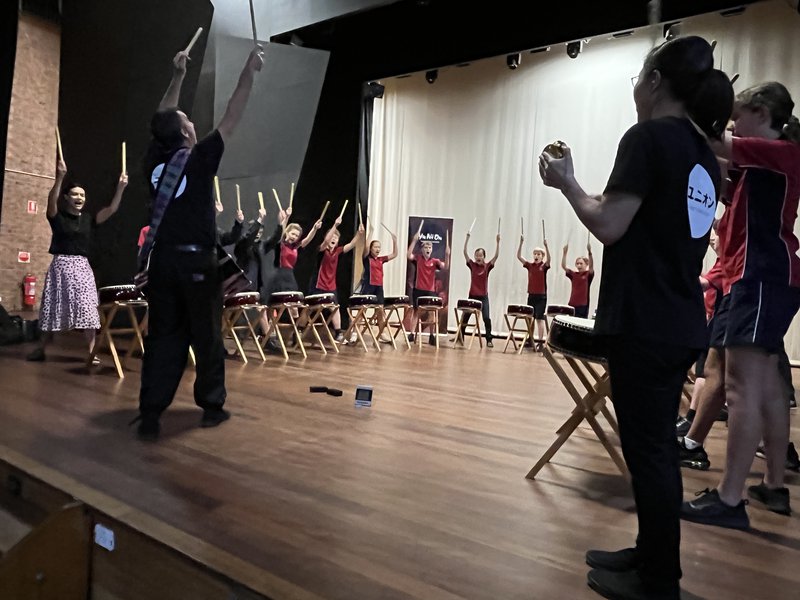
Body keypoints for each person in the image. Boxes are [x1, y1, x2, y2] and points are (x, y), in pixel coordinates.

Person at [539, 36, 733, 600]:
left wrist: (567, 182)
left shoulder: (646, 138)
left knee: (649, 455)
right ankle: (651, 555)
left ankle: (659, 580)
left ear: (653, 82)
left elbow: (609, 223)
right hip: (679, 320)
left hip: (644, 321)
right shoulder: (704, 155)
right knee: (654, 451)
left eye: (637, 80)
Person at [681, 82, 800, 526]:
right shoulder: (761, 164)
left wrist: (692, 100)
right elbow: (717, 160)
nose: (733, 126)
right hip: (757, 278)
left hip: (759, 277)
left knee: (741, 389)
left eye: (739, 117)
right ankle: (773, 486)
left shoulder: (780, 152)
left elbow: (716, 142)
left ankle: (730, 500)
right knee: (766, 388)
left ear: (762, 114)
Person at [135, 45, 264, 441]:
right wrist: (248, 72)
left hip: (163, 263)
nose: (191, 122)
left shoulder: (153, 162)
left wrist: (177, 76)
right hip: (197, 264)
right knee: (206, 335)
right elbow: (232, 114)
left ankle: (151, 413)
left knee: (163, 337)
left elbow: (163, 118)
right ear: (186, 133)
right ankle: (211, 407)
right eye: (188, 120)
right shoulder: (198, 158)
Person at [26, 157, 128, 362]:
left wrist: (120, 188)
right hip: (61, 266)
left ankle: (91, 351)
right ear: (66, 197)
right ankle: (41, 348)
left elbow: (111, 210)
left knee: (88, 309)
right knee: (53, 308)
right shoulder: (58, 217)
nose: (79, 197)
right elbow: (51, 202)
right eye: (75, 194)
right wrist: (60, 178)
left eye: (82, 195)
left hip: (82, 267)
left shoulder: (89, 219)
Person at [310, 216, 364, 342]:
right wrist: (335, 225)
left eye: (336, 237)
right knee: (310, 310)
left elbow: (351, 244)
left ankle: (338, 333)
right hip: (318, 285)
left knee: (335, 308)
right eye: (332, 236)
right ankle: (300, 329)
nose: (334, 238)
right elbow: (325, 241)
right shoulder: (322, 249)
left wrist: (359, 233)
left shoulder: (338, 251)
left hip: (331, 285)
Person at [407, 226, 450, 345]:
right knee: (416, 311)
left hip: (430, 291)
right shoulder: (417, 258)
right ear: (422, 249)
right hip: (418, 290)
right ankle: (411, 334)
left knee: (432, 312)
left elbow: (446, 267)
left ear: (431, 250)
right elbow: (408, 255)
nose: (428, 249)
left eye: (429, 247)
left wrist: (447, 255)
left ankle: (432, 335)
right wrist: (414, 240)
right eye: (426, 247)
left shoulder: (435, 261)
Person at [462, 230, 500, 347]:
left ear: (484, 257)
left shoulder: (487, 266)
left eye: (480, 255)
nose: (478, 257)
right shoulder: (472, 265)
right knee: (465, 317)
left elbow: (496, 256)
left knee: (486, 318)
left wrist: (497, 242)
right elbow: (464, 252)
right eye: (477, 255)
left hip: (483, 297)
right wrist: (467, 239)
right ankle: (460, 336)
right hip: (472, 296)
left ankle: (489, 339)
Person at [516, 237, 550, 349]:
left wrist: (546, 246)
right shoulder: (530, 266)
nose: (536, 255)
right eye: (535, 254)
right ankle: (530, 340)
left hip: (541, 296)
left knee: (539, 319)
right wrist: (521, 243)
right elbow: (519, 256)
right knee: (530, 318)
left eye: (538, 254)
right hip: (531, 295)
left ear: (542, 256)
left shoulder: (544, 266)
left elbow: (549, 259)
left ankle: (540, 342)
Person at [360, 226, 399, 304]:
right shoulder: (367, 258)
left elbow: (394, 254)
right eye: (375, 247)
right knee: (364, 306)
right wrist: (371, 231)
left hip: (379, 286)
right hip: (368, 286)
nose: (378, 249)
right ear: (371, 248)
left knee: (380, 306)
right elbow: (366, 246)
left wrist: (395, 241)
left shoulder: (381, 259)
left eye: (379, 247)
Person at [561, 241, 594, 318]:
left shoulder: (588, 274)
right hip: (572, 303)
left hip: (583, 305)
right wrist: (564, 253)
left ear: (586, 264)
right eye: (577, 263)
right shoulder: (573, 274)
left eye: (581, 263)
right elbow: (563, 266)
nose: (579, 265)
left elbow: (591, 266)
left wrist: (589, 253)